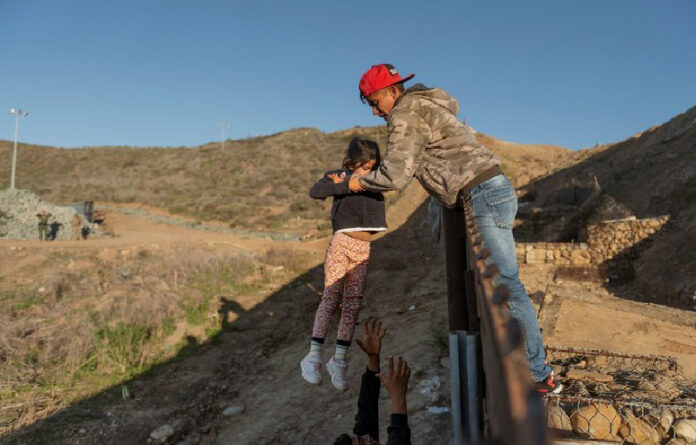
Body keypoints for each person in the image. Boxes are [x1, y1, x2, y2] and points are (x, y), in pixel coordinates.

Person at [350, 63, 561, 394]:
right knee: (499, 286)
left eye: (375, 102)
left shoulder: (405, 114)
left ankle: (538, 374)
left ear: (393, 92)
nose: (376, 112)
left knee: (506, 286)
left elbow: (396, 176)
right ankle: (526, 367)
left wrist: (355, 182)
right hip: (489, 190)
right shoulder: (424, 106)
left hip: (482, 195)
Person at [301, 138, 387, 391]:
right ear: (352, 162)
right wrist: (347, 185)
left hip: (363, 248)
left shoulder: (378, 178)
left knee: (352, 304)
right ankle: (313, 356)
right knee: (331, 296)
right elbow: (316, 191)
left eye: (372, 166)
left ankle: (338, 361)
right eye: (363, 166)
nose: (367, 171)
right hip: (342, 242)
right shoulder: (339, 176)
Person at [333, 319, 411, 445]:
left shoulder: (366, 438)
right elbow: (399, 439)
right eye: (363, 443)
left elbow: (367, 404)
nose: (368, 437)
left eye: (361, 439)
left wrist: (373, 358)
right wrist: (398, 396)